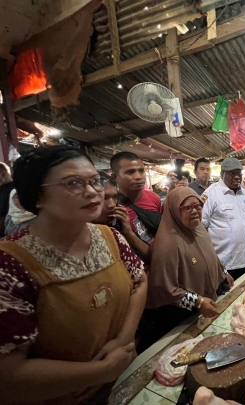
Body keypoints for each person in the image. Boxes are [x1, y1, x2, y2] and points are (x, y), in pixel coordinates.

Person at [0, 146, 147, 404]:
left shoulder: (110, 237)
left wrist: (124, 340)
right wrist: (100, 371)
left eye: (94, 181)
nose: (92, 192)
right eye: (74, 183)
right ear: (36, 196)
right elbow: (8, 376)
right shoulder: (10, 264)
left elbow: (139, 280)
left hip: (121, 379)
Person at [142, 188, 234, 350]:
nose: (195, 211)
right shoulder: (169, 243)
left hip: (206, 305)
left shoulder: (198, 230)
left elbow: (209, 255)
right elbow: (164, 289)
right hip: (181, 317)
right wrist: (197, 302)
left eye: (198, 206)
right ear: (175, 211)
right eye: (187, 208)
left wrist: (223, 272)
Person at [201, 158, 245, 280]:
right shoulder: (210, 194)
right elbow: (201, 228)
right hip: (223, 263)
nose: (237, 177)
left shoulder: (244, 193)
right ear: (222, 174)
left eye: (238, 173)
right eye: (232, 173)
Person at [95, 172, 151, 263]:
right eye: (104, 198)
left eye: (114, 197)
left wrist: (129, 233)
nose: (111, 205)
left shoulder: (118, 225)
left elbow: (151, 257)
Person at [110, 152, 162, 248]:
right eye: (130, 172)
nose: (138, 177)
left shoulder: (154, 198)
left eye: (141, 171)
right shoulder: (112, 207)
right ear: (114, 177)